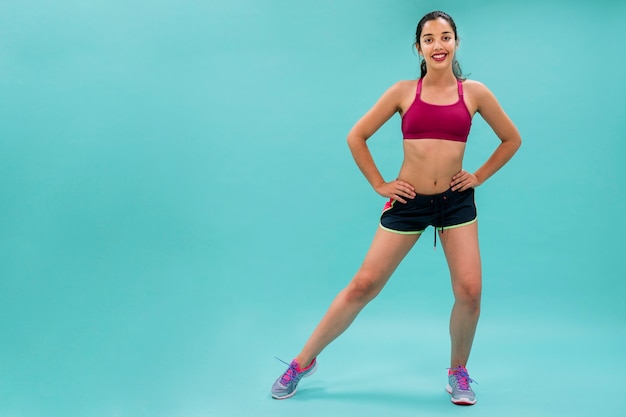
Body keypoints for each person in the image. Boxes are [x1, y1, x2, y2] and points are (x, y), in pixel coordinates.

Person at [270, 10, 521, 406]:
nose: (438, 45)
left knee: (471, 292)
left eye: (445, 37)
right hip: (408, 204)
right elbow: (357, 136)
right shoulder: (405, 92)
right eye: (429, 39)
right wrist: (379, 184)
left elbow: (511, 139)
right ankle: (301, 363)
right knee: (362, 286)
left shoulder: (474, 93)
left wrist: (478, 177)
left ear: (456, 42)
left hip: (455, 205)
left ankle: (458, 372)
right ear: (418, 47)